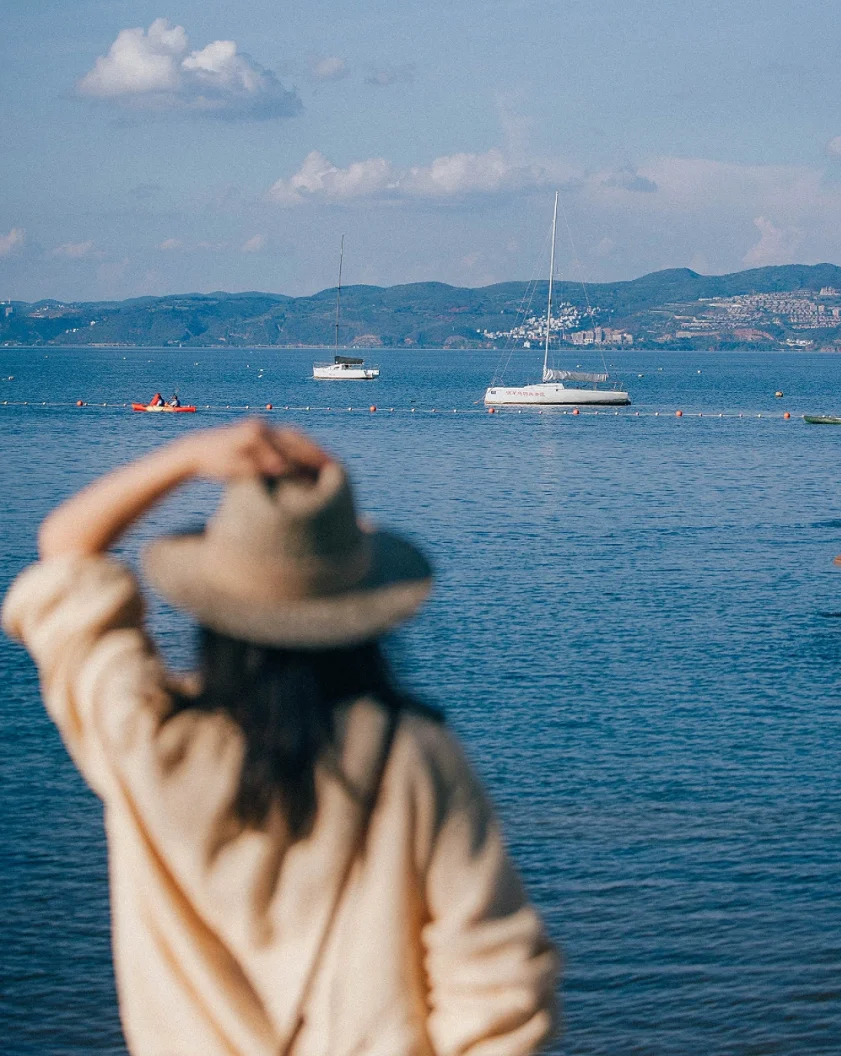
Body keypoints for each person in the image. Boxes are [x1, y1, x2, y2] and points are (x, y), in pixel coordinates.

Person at [2, 420, 558, 1056]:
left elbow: (66, 549)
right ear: (363, 608)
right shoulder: (412, 757)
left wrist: (189, 457)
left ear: (213, 606)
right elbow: (498, 987)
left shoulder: (145, 739)